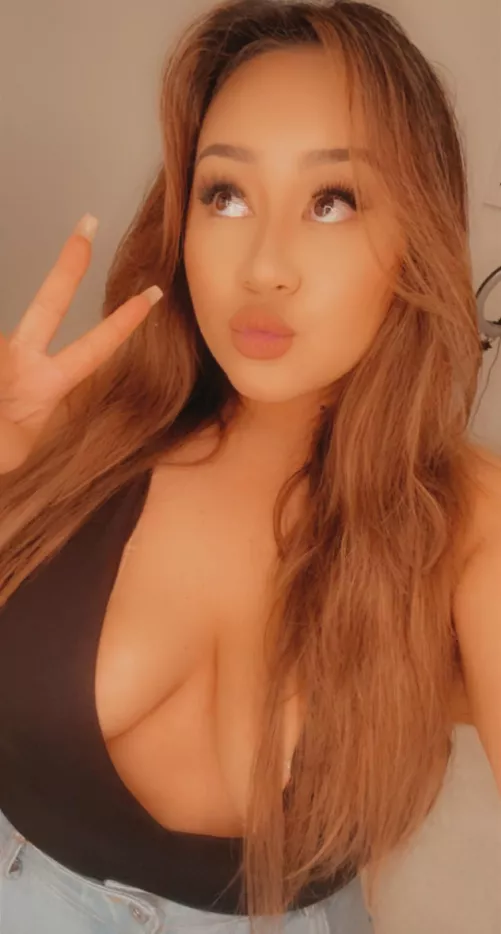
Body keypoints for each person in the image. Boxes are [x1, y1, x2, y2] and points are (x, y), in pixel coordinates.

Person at [0, 0, 500, 931]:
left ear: (415, 234)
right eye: (224, 194)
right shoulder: (81, 436)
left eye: (331, 201)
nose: (264, 266)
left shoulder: (467, 519)